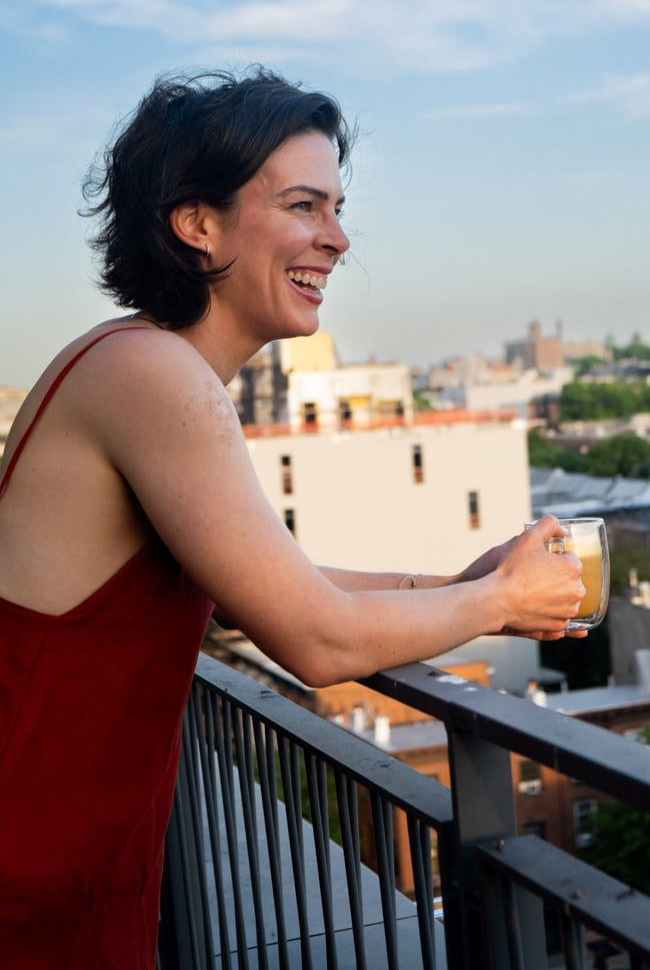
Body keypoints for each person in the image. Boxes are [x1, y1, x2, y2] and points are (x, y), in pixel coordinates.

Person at [0, 68, 585, 969]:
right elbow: (313, 637)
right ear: (197, 224)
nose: (339, 238)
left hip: (64, 875)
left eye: (338, 208)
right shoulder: (153, 377)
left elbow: (269, 586)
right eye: (306, 205)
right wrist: (500, 601)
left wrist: (464, 584)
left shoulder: (132, 363)